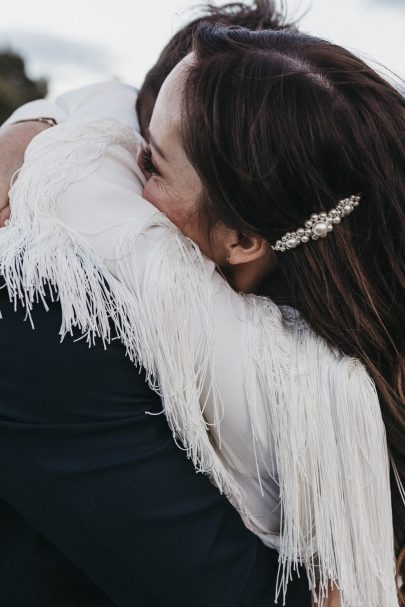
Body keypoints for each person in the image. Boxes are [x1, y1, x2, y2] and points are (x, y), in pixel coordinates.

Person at [1, 16, 403, 607]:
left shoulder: (60, 331)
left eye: (151, 164)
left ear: (241, 239)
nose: (123, 176)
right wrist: (40, 122)